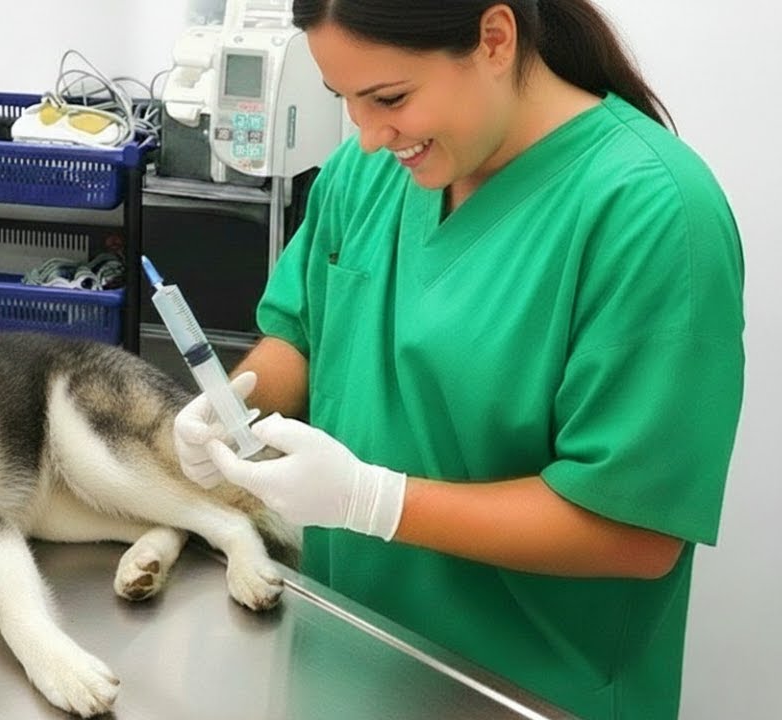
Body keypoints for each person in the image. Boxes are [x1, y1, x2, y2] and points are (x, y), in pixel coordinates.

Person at [171, 1, 744, 718]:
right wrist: (234, 406)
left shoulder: (652, 215)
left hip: (524, 691)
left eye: (389, 99)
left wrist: (373, 501)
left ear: (495, 38)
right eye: (343, 100)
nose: (369, 136)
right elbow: (304, 335)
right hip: (349, 657)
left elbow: (635, 531)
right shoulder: (368, 173)